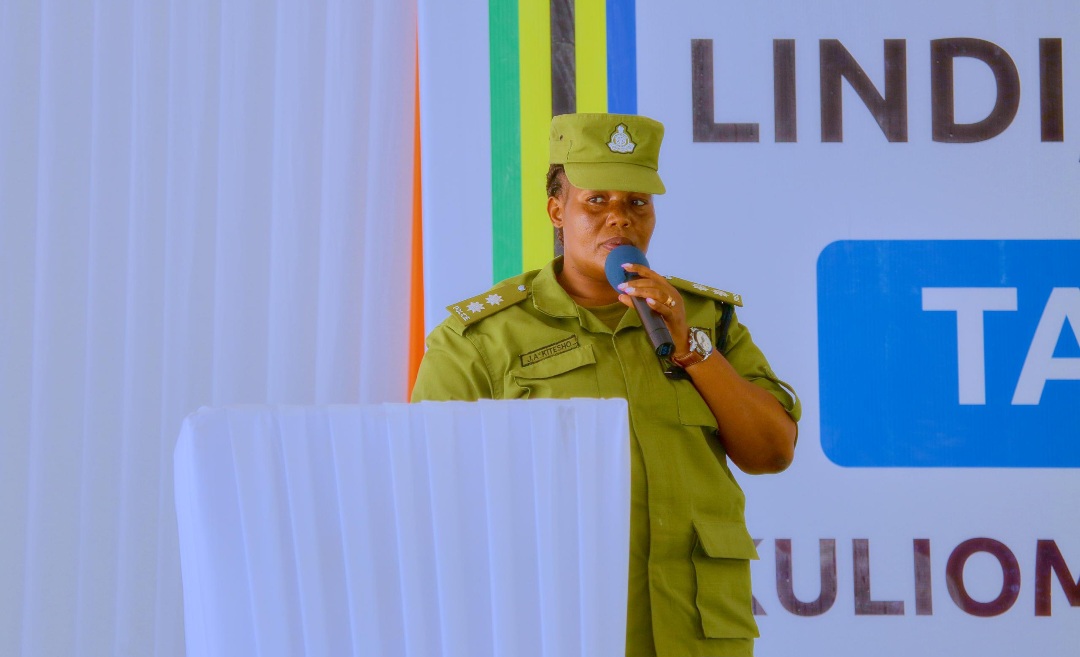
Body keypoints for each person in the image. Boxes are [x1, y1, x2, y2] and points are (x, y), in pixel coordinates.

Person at [411, 113, 801, 657]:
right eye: (597, 201)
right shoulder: (481, 338)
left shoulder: (706, 320)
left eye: (637, 202)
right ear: (557, 210)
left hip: (695, 628)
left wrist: (693, 348)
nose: (620, 218)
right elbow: (428, 492)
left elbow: (772, 451)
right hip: (561, 624)